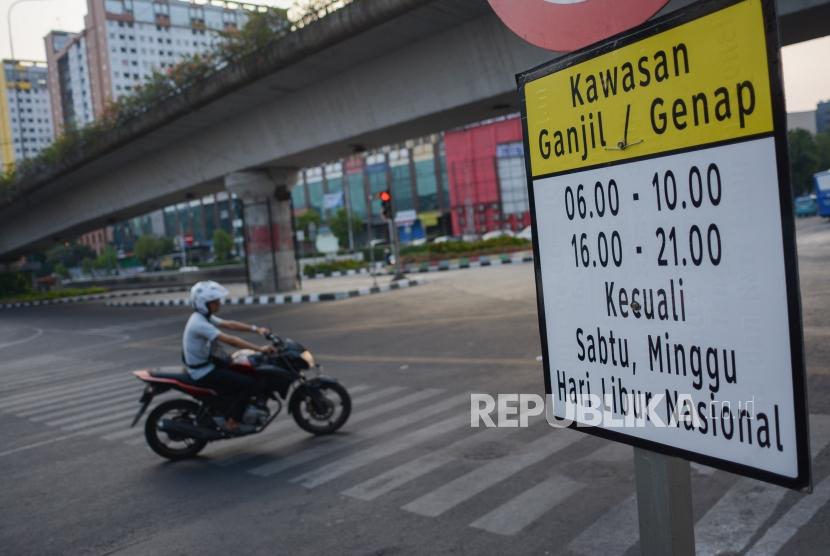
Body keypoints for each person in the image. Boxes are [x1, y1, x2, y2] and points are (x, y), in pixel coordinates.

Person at [183, 280, 275, 433]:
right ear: (204, 303)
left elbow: (230, 324)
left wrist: (256, 329)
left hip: (209, 364)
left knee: (243, 369)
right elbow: (231, 340)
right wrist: (260, 349)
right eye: (215, 301)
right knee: (249, 383)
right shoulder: (199, 323)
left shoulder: (204, 316)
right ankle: (233, 420)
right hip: (203, 371)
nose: (219, 303)